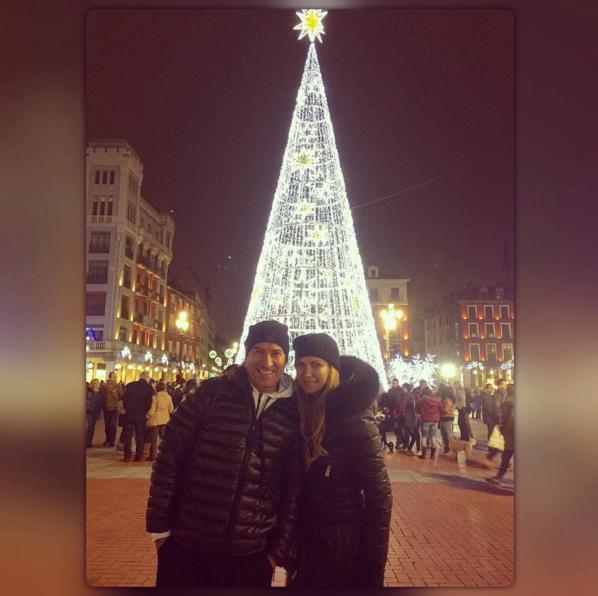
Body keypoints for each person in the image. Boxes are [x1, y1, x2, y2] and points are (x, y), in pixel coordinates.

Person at [146, 320, 302, 589]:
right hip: (187, 546)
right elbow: (169, 457)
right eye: (258, 351)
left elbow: (292, 488)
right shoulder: (210, 393)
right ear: (246, 355)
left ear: (285, 359)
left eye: (276, 353)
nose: (267, 361)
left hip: (251, 556)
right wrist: (160, 532)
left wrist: (277, 551)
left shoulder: (292, 411)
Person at [289, 333, 392, 589]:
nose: (307, 373)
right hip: (306, 539)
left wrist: (372, 567)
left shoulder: (353, 417)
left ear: (331, 368)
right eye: (301, 365)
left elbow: (379, 495)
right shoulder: (301, 409)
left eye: (316, 365)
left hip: (340, 542)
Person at [122, 371, 154, 462]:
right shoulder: (149, 388)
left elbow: (124, 399)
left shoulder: (130, 385)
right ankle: (139, 455)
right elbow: (149, 403)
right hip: (141, 415)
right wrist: (145, 411)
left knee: (128, 435)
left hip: (130, 413)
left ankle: (127, 455)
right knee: (140, 435)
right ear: (147, 378)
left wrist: (127, 407)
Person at [486, 384, 514, 487]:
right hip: (512, 434)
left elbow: (507, 419)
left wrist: (503, 429)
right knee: (506, 455)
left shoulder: (508, 403)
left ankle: (499, 476)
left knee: (506, 455)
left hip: (511, 434)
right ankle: (499, 476)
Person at [146, 381, 174, 461]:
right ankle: (165, 455)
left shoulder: (155, 397)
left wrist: (148, 414)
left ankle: (153, 455)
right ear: (165, 388)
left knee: (154, 439)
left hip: (156, 419)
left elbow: (152, 409)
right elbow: (171, 409)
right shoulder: (169, 397)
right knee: (164, 439)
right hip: (165, 419)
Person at [485, 379, 507, 464]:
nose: (505, 386)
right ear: (500, 385)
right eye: (504, 384)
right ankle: (491, 455)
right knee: (501, 441)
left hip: (504, 419)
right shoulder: (498, 394)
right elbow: (496, 407)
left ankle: (502, 459)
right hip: (501, 420)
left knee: (503, 441)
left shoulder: (503, 393)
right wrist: (500, 419)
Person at [417, 387, 442, 459]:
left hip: (425, 420)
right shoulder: (438, 400)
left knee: (424, 437)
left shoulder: (423, 399)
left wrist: (420, 412)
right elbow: (441, 409)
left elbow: (417, 405)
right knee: (433, 437)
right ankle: (432, 455)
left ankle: (424, 454)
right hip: (435, 421)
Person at [101, 371, 122, 447]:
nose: (115, 378)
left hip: (114, 408)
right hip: (106, 408)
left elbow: (120, 396)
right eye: (114, 377)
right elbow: (102, 396)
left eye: (116, 377)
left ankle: (112, 441)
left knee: (113, 425)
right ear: (109, 377)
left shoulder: (118, 386)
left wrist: (115, 394)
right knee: (107, 425)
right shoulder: (104, 386)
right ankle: (107, 439)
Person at [86, 378, 104, 448]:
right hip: (89, 411)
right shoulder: (89, 391)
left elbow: (102, 402)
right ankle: (87, 441)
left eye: (98, 382)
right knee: (90, 426)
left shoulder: (100, 393)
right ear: (93, 384)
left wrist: (100, 410)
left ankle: (89, 441)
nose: (98, 384)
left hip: (96, 412)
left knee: (92, 427)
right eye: (96, 383)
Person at [438, 385, 456, 454]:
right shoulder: (452, 399)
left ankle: (449, 448)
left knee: (446, 434)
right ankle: (448, 447)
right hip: (450, 417)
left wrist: (439, 411)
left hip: (445, 417)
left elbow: (445, 410)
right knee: (447, 433)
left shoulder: (446, 400)